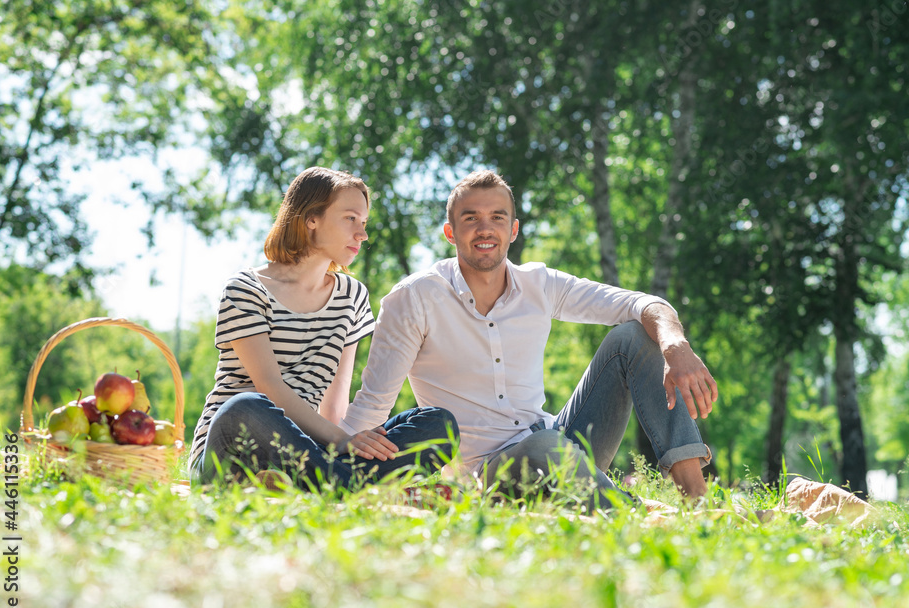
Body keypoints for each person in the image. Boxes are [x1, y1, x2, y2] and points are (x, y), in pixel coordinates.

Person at [341, 170, 718, 512]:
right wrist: (333, 461)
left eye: (497, 218)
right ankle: (636, 513)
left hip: (559, 441)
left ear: (514, 229)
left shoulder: (540, 284)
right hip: (490, 472)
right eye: (471, 218)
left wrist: (675, 347)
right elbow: (374, 403)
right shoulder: (415, 298)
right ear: (450, 233)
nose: (485, 229)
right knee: (544, 447)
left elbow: (643, 303)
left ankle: (698, 503)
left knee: (634, 335)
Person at [188, 167, 457, 491]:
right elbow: (271, 386)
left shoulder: (352, 296)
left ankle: (329, 484)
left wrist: (347, 442)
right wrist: (343, 442)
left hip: (306, 452)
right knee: (247, 406)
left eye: (364, 223)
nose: (362, 234)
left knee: (439, 424)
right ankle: (347, 487)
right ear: (311, 218)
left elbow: (334, 404)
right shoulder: (246, 288)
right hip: (233, 448)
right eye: (350, 219)